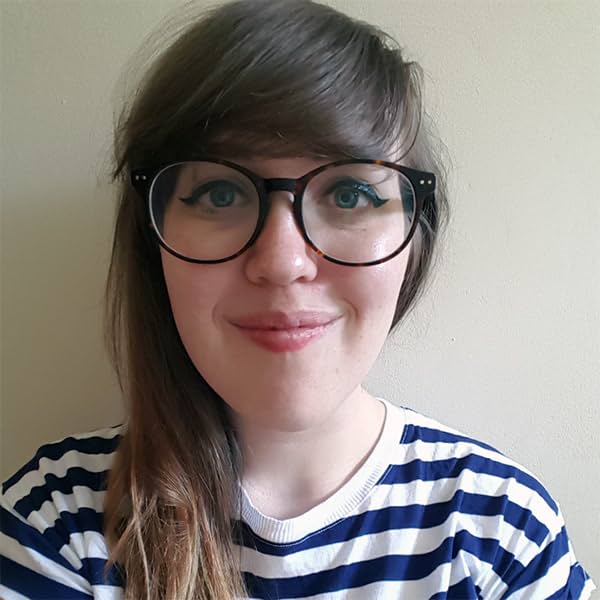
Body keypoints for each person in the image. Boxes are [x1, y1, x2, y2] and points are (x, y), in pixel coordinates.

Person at [0, 1, 595, 599]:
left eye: (350, 194)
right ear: (152, 241)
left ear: (415, 242)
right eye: (220, 194)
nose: (283, 263)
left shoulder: (500, 533)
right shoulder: (56, 524)